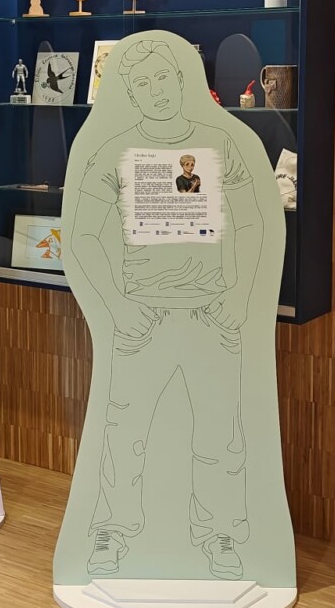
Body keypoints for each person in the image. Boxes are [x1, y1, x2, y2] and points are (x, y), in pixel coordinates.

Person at [68, 34, 262, 580]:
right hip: (143, 320)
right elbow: (82, 235)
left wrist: (239, 297)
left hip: (210, 316)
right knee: (124, 434)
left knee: (220, 434)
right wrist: (118, 308)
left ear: (183, 81)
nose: (156, 91)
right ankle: (112, 533)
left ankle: (220, 534)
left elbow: (251, 223)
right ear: (130, 92)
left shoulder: (219, 142)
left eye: (163, 78)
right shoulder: (115, 151)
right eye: (142, 83)